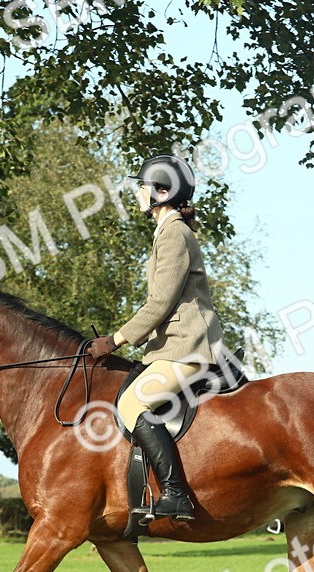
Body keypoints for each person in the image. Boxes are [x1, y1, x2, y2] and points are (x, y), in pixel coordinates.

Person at [87, 154, 226, 523]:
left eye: (143, 186)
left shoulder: (174, 233)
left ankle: (177, 493)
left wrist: (115, 340)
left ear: (162, 192)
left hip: (188, 346)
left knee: (132, 405)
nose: (137, 192)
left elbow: (161, 302)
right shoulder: (167, 231)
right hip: (173, 346)